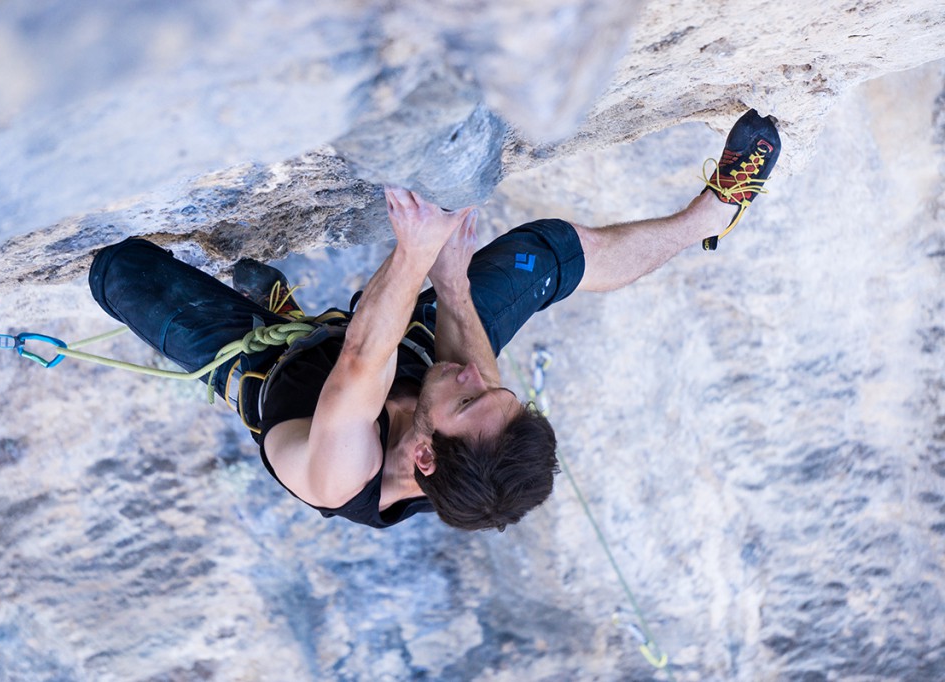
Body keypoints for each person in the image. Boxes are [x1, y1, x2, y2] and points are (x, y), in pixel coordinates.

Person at [89, 108, 780, 531]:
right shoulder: (481, 418)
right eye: (502, 395)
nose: (480, 378)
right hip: (396, 360)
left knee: (116, 270)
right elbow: (473, 375)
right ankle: (710, 218)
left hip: (280, 375)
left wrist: (418, 250)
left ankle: (284, 318)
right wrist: (450, 281)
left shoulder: (342, 476)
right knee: (546, 257)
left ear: (422, 457)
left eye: (474, 397)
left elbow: (362, 362)